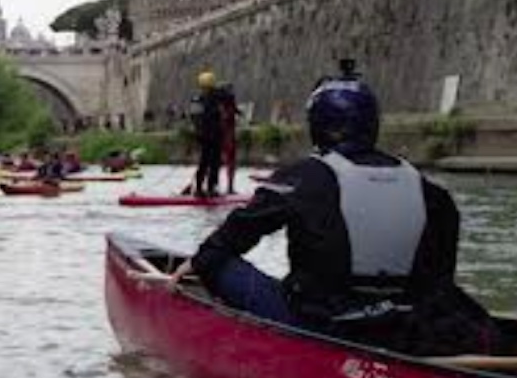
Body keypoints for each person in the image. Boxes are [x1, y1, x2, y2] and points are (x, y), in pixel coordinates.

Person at [168, 66, 497, 356]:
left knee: (218, 262)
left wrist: (199, 262)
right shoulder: (432, 192)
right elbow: (440, 279)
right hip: (405, 324)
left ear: (318, 125)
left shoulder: (301, 178)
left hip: (325, 327)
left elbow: (237, 232)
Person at [187, 70, 224, 198]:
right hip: (211, 135)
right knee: (212, 162)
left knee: (206, 162)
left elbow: (194, 118)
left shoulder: (197, 100)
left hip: (205, 136)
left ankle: (201, 188)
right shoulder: (213, 99)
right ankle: (209, 188)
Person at [216, 83, 242, 194]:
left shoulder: (224, 104)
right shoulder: (223, 105)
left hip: (226, 136)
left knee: (229, 163)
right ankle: (225, 188)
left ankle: (229, 188)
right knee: (225, 162)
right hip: (225, 137)